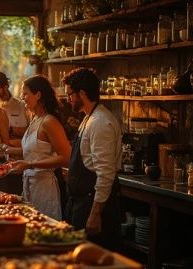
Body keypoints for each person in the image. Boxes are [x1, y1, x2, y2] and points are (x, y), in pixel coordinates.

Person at [63, 67, 122, 249]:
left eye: (70, 94)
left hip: (92, 206)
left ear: (82, 93)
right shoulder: (88, 118)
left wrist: (95, 214)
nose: (68, 99)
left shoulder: (101, 122)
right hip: (80, 203)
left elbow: (105, 174)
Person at [9, 75, 71, 220]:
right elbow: (34, 151)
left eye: (25, 93)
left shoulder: (49, 121)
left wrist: (29, 164)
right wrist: (7, 150)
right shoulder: (35, 118)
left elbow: (66, 158)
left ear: (38, 95)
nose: (22, 97)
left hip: (45, 187)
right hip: (30, 184)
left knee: (45, 227)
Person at [0, 72, 29, 146]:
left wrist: (11, 130)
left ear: (5, 87)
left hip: (21, 151)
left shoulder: (23, 106)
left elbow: (33, 132)